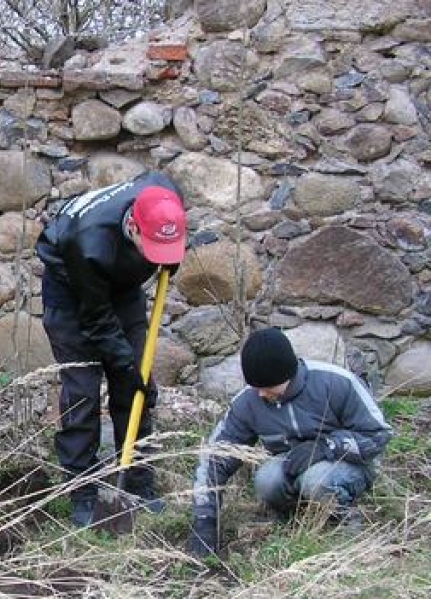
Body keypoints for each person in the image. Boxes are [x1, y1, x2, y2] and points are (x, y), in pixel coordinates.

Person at [35, 170, 187, 527]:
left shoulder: (168, 199)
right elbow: (96, 318)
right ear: (133, 227)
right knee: (82, 392)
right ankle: (82, 490)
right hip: (73, 292)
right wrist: (123, 362)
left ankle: (137, 481)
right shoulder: (88, 243)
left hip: (121, 283)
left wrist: (170, 253)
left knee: (137, 386)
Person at [189, 328, 393, 557]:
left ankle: (342, 523)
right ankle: (294, 521)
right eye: (256, 387)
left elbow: (378, 435)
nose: (261, 394)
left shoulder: (337, 382)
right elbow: (216, 457)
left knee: (316, 481)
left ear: (288, 374)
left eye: (268, 387)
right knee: (266, 480)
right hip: (292, 465)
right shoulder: (249, 402)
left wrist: (327, 446)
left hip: (348, 463)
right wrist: (204, 520)